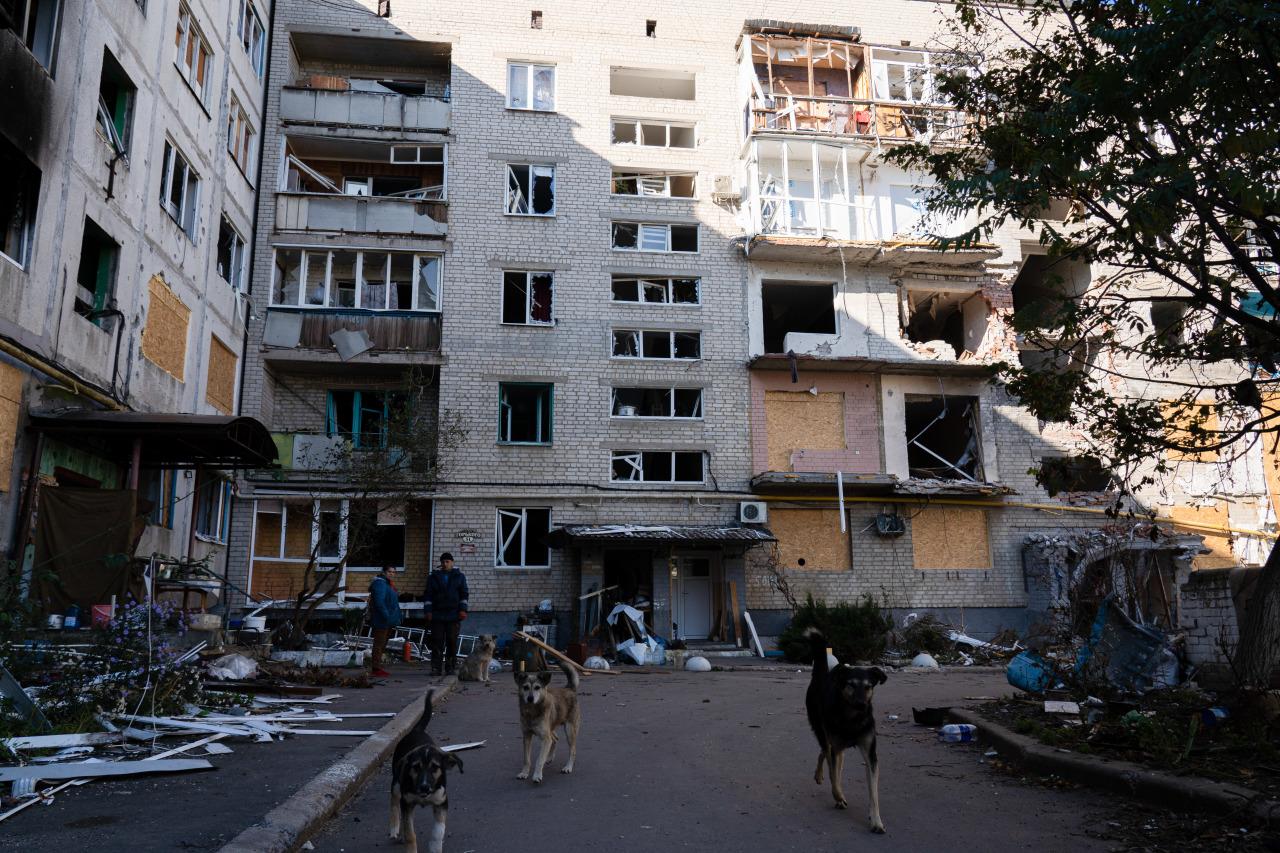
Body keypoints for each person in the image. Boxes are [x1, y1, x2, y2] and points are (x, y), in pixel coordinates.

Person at [425, 552, 468, 676]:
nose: (445, 564)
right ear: (441, 563)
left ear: (452, 562)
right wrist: (428, 611)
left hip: (454, 615)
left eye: (447, 562)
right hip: (437, 615)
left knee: (451, 642)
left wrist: (463, 610)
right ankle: (436, 668)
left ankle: (450, 667)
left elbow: (464, 594)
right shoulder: (433, 577)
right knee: (437, 643)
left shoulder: (459, 576)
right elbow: (428, 595)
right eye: (443, 562)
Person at [368, 565, 402, 677]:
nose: (391, 574)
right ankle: (376, 668)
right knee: (379, 644)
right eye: (389, 571)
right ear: (383, 572)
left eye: (393, 572)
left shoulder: (388, 584)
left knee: (382, 644)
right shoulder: (380, 583)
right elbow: (379, 602)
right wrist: (387, 616)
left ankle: (377, 667)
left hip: (388, 619)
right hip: (382, 619)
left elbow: (390, 600)